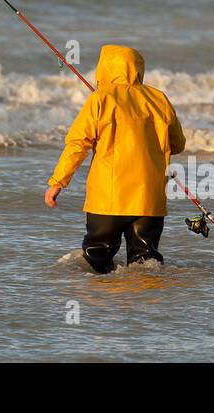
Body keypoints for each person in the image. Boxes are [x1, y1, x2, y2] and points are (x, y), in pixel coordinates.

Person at [44, 45, 186, 273]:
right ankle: (144, 306)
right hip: (149, 199)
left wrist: (57, 182)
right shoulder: (158, 98)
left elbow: (78, 144)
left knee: (96, 260)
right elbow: (177, 145)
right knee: (145, 263)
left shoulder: (100, 98)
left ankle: (104, 307)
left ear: (105, 69)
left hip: (108, 199)